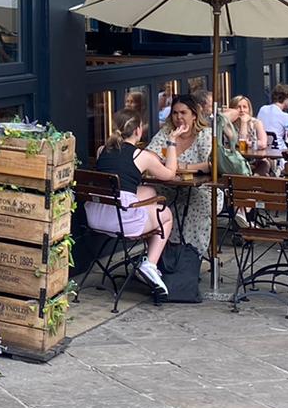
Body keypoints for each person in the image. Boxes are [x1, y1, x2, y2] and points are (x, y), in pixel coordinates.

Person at [90, 115, 178, 294]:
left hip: (96, 216)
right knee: (167, 214)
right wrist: (172, 142)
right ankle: (150, 264)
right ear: (138, 131)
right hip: (121, 221)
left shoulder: (101, 150)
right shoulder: (141, 156)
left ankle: (147, 253)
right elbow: (170, 174)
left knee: (150, 192)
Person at [148, 96, 214, 255]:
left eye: (183, 113)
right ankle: (161, 255)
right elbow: (150, 155)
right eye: (175, 113)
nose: (179, 117)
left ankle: (190, 255)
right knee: (149, 201)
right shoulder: (166, 133)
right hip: (169, 187)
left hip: (202, 189)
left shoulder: (205, 134)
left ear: (194, 115)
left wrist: (184, 166)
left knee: (193, 206)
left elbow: (211, 164)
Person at [257, 84, 288, 149]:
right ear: (287, 99)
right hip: (279, 153)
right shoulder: (286, 117)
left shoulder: (262, 109)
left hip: (264, 151)